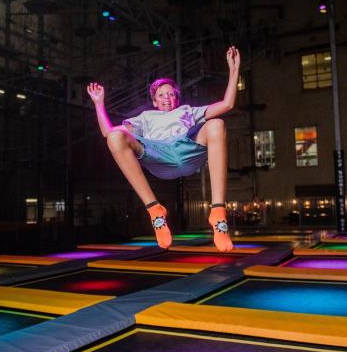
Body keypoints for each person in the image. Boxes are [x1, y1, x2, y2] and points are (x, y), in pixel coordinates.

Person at [87, 46, 241, 251]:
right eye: (161, 95)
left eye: (171, 94)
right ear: (154, 101)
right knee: (115, 137)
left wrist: (234, 69)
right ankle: (155, 210)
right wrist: (99, 103)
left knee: (217, 124)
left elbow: (228, 104)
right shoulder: (145, 117)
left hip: (186, 149)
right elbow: (107, 132)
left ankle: (218, 214)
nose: (167, 98)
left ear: (177, 97)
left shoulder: (187, 111)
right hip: (158, 155)